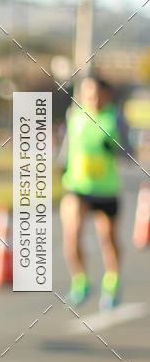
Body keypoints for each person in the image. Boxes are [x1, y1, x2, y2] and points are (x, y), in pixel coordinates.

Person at [60, 75, 124, 309]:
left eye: (97, 93)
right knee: (72, 234)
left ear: (107, 95)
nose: (92, 98)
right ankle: (81, 281)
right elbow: (67, 148)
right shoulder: (75, 117)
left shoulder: (114, 119)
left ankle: (112, 282)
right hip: (78, 187)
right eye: (87, 93)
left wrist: (113, 146)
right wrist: (61, 168)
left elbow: (127, 150)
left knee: (108, 239)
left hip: (106, 189)